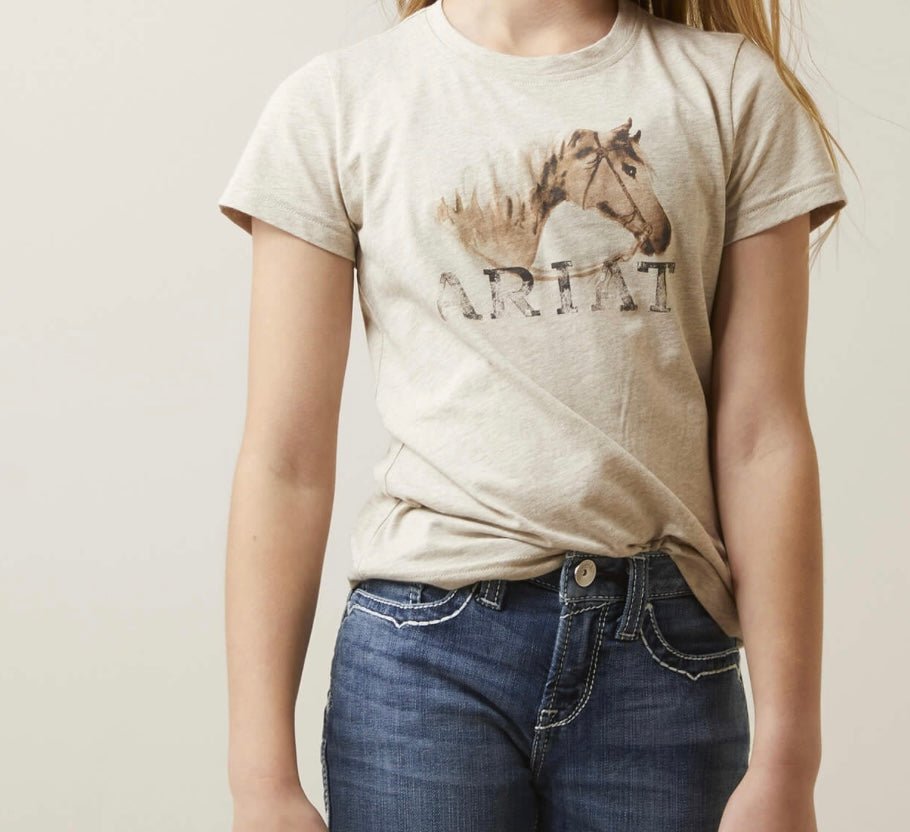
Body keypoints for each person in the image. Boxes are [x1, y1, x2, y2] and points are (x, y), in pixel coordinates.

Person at [217, 0, 850, 830]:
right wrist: (259, 780)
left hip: (662, 662)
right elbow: (285, 461)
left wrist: (789, 763)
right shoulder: (337, 102)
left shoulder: (728, 89)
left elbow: (763, 439)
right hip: (422, 662)